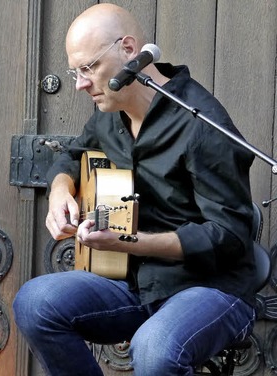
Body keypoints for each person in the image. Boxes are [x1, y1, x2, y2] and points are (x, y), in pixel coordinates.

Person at [13, 3, 256, 376]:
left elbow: (228, 237)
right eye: (75, 72)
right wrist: (61, 190)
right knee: (35, 302)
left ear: (129, 50)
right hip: (134, 282)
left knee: (156, 349)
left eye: (88, 68)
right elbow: (70, 158)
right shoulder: (109, 114)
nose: (79, 83)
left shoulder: (202, 124)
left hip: (210, 288)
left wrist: (128, 242)